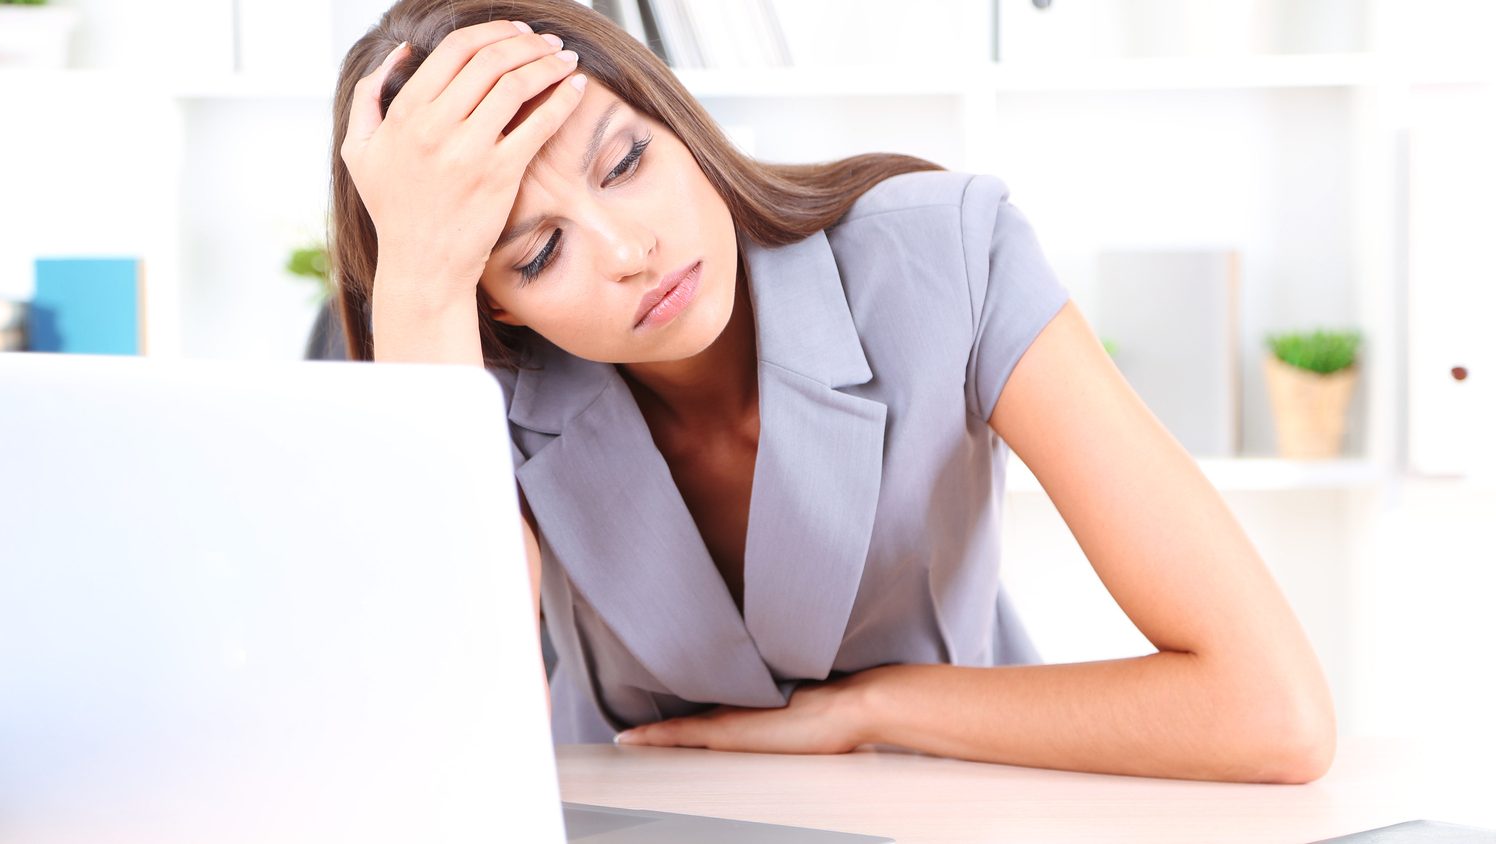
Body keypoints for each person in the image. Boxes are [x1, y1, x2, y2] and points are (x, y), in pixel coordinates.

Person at [329, 0, 1336, 784]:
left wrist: (872, 708)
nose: (628, 251)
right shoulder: (460, 377)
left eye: (627, 160)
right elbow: (432, 753)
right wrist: (418, 282)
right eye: (539, 252)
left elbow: (1270, 712)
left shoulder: (946, 252)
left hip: (945, 798)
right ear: (489, 305)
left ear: (673, 117)